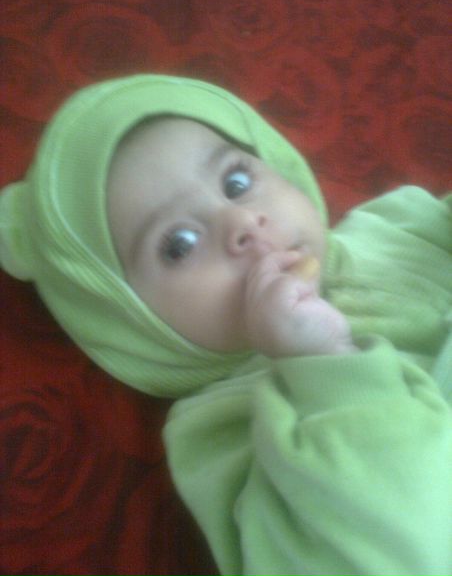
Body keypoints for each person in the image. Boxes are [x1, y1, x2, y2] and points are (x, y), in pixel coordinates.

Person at [1, 74, 451, 576]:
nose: (241, 224)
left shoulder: (392, 224)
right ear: (134, 322)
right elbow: (388, 555)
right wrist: (325, 367)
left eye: (236, 182)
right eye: (180, 244)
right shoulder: (219, 430)